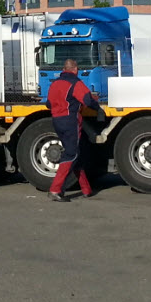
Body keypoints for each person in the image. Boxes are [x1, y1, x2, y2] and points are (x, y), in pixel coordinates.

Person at [47, 58, 101, 201]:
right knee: (71, 155)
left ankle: (86, 189)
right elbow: (88, 101)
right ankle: (55, 190)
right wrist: (99, 108)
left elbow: (48, 104)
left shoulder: (54, 83)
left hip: (56, 121)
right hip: (70, 121)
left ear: (63, 69)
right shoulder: (75, 83)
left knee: (76, 155)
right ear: (75, 69)